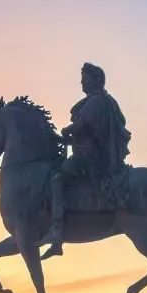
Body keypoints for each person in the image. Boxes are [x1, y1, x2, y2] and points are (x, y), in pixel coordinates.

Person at [42, 62, 132, 259]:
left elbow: (82, 125)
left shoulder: (97, 101)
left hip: (88, 157)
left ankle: (57, 230)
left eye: (85, 79)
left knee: (57, 179)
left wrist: (66, 130)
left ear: (96, 80)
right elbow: (85, 131)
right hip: (88, 152)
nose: (82, 83)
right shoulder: (100, 101)